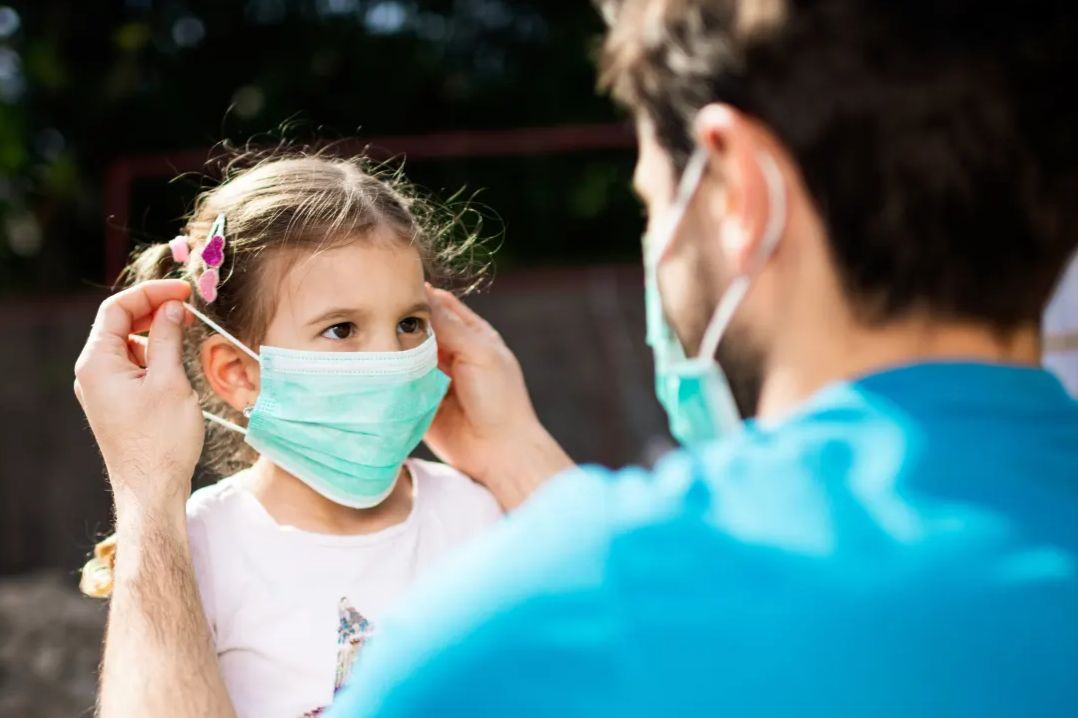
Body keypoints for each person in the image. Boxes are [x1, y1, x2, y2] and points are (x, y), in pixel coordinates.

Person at [73, 1, 1078, 716]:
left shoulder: (528, 625)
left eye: (649, 199)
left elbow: (626, 597)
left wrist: (142, 493)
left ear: (736, 193)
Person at [77, 155, 515, 718]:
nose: (391, 358)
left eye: (410, 323)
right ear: (240, 374)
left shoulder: (477, 515)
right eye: (341, 329)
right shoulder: (196, 549)